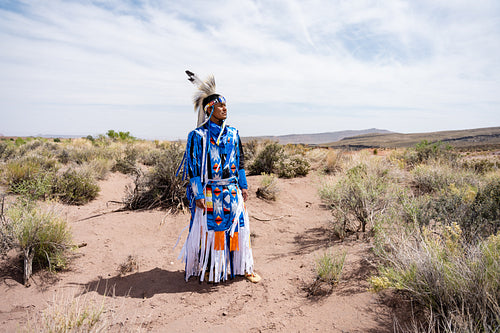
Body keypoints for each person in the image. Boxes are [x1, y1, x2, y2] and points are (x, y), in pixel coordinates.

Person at [177, 70, 260, 283]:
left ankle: (240, 267)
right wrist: (197, 194)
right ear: (209, 109)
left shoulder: (233, 133)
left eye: (226, 106)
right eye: (220, 105)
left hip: (232, 191)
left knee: (238, 228)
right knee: (211, 232)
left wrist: (243, 185)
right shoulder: (197, 136)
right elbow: (194, 168)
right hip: (209, 192)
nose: (225, 109)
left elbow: (240, 161)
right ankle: (210, 268)